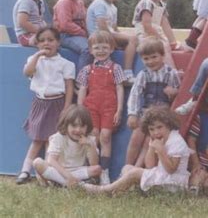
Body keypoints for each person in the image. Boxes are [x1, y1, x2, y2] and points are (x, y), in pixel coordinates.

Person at [82, 105, 192, 194]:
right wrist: (151, 147)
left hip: (174, 183)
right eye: (151, 129)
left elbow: (171, 169)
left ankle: (106, 190)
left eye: (159, 127)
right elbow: (150, 166)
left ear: (168, 124)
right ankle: (121, 191)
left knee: (134, 173)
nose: (156, 132)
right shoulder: (157, 139)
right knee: (127, 168)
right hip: (162, 177)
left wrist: (162, 151)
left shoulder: (176, 141)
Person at [16, 27, 75, 184]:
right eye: (42, 41)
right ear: (37, 44)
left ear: (58, 42)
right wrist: (37, 55)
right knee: (37, 140)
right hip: (40, 103)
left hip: (57, 104)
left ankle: (49, 175)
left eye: (50, 40)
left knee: (52, 141)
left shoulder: (65, 64)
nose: (46, 43)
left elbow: (69, 86)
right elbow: (27, 72)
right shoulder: (34, 60)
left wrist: (67, 108)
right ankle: (25, 171)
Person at [77, 30, 126, 184]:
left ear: (111, 49)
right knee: (93, 137)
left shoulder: (116, 68)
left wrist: (119, 109)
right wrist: (79, 110)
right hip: (91, 107)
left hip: (109, 108)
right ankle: (90, 171)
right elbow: (83, 90)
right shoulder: (87, 69)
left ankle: (104, 171)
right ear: (91, 50)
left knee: (105, 136)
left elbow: (120, 88)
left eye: (105, 47)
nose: (101, 51)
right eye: (97, 48)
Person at [126, 38, 181, 167]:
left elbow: (179, 91)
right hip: (146, 113)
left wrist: (173, 91)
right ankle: (127, 168)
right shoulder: (143, 75)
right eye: (146, 59)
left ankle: (138, 169)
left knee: (148, 143)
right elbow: (135, 94)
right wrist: (132, 114)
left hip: (162, 117)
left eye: (154, 57)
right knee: (135, 139)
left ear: (163, 56)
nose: (150, 61)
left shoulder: (170, 74)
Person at [86, 0, 137, 84]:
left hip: (108, 35)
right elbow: (102, 27)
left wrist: (121, 37)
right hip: (98, 37)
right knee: (133, 39)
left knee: (136, 39)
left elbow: (114, 28)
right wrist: (115, 42)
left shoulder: (113, 7)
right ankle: (127, 73)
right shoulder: (100, 4)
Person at [32, 105, 102, 187]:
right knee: (37, 162)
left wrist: (91, 145)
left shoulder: (89, 140)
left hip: (77, 171)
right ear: (66, 125)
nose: (78, 130)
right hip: (59, 171)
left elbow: (94, 163)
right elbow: (51, 160)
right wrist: (69, 176)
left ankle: (60, 183)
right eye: (74, 125)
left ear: (87, 126)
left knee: (97, 169)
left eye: (82, 126)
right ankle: (74, 184)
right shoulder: (59, 137)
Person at [132, 0, 181, 68]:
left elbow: (165, 24)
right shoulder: (146, 3)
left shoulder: (161, 4)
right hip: (144, 34)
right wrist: (159, 39)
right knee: (162, 46)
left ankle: (166, 71)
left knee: (167, 45)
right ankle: (172, 70)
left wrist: (173, 42)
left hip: (155, 34)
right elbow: (146, 25)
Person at [53, 0, 91, 73]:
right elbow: (65, 24)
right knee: (88, 49)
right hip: (65, 35)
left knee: (98, 45)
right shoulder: (64, 3)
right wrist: (83, 33)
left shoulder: (80, 3)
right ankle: (81, 81)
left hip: (78, 35)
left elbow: (84, 20)